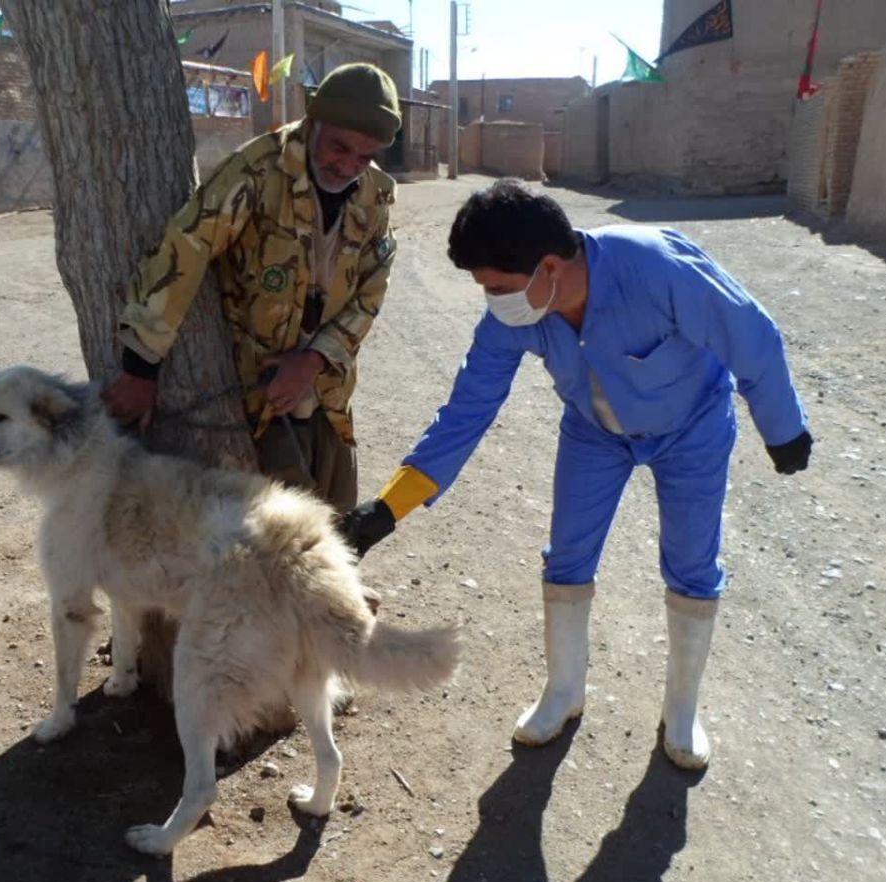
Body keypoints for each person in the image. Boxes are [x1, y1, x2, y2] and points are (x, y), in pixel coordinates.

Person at [338, 180, 812, 770]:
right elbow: (466, 411)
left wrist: (784, 428)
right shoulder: (519, 313)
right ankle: (564, 693)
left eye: (497, 287)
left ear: (551, 266)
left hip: (692, 429)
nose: (492, 301)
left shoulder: (657, 268)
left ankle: (682, 710)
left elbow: (751, 336)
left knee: (692, 564)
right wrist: (386, 510)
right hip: (595, 434)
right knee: (566, 559)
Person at [100, 62, 402, 513]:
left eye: (365, 155)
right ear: (314, 120)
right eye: (340, 147)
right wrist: (140, 368)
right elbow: (186, 248)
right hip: (260, 396)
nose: (349, 165)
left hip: (328, 388)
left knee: (338, 512)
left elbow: (373, 286)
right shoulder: (258, 171)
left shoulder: (374, 191)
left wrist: (316, 358)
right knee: (282, 525)